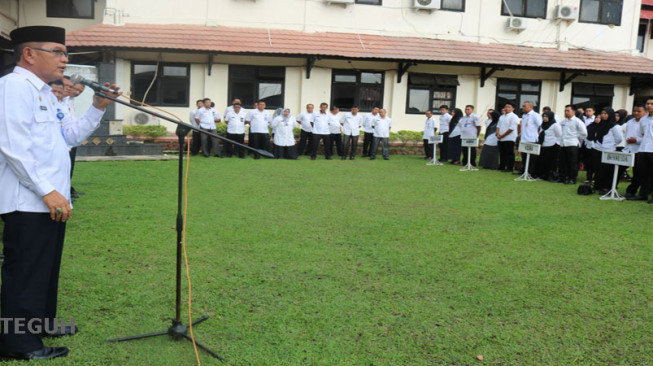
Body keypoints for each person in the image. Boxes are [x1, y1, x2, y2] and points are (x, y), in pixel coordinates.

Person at [0, 26, 120, 361]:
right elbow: (13, 147)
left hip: (51, 198)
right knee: (25, 271)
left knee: (46, 268)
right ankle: (17, 344)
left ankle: (41, 324)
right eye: (57, 51)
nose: (64, 61)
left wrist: (97, 106)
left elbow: (68, 137)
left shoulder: (43, 92)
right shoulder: (13, 87)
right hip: (28, 200)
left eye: (65, 53)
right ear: (29, 53)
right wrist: (47, 191)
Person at [593, 108, 623, 194]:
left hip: (609, 150)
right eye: (602, 113)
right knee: (598, 168)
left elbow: (619, 139)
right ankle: (598, 185)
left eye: (606, 113)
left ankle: (606, 187)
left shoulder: (614, 126)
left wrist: (611, 144)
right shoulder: (600, 124)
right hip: (598, 148)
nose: (603, 115)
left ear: (610, 115)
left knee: (607, 169)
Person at [631, 97, 653, 203]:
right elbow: (643, 133)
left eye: (652, 104)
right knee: (643, 173)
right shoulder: (643, 119)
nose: (649, 106)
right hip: (644, 149)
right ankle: (643, 194)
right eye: (648, 103)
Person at [559, 105, 588, 184]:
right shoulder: (563, 121)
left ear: (574, 112)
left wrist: (577, 138)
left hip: (572, 144)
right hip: (563, 143)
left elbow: (584, 133)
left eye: (568, 111)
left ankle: (572, 178)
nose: (566, 112)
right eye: (565, 111)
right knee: (563, 162)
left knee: (572, 162)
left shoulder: (577, 121)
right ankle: (563, 177)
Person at [625, 104, 646, 199]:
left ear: (645, 112)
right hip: (628, 149)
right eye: (635, 111)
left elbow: (647, 138)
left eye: (639, 111)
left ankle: (633, 191)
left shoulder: (646, 122)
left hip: (641, 150)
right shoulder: (630, 122)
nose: (636, 113)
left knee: (638, 172)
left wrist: (636, 140)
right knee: (620, 168)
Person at [536, 111, 562, 181]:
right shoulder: (543, 125)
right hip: (544, 144)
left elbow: (559, 135)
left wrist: (556, 143)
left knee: (551, 162)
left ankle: (550, 176)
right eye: (543, 116)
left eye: (546, 117)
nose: (544, 118)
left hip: (552, 145)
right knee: (543, 161)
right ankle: (542, 175)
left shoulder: (555, 125)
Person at [519, 101, 542, 175]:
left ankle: (531, 172)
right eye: (522, 106)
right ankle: (524, 170)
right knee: (524, 156)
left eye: (524, 106)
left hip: (531, 139)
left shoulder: (535, 115)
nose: (523, 108)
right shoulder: (524, 115)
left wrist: (538, 134)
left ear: (531, 107)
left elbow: (540, 125)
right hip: (524, 138)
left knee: (532, 158)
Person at [496, 102, 519, 172]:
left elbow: (511, 128)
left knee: (509, 153)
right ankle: (502, 166)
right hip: (501, 138)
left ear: (513, 108)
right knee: (502, 153)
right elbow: (498, 126)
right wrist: (498, 134)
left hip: (509, 138)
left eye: (509, 107)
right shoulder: (502, 116)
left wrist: (502, 135)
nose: (506, 108)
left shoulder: (514, 117)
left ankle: (509, 167)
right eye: (506, 107)